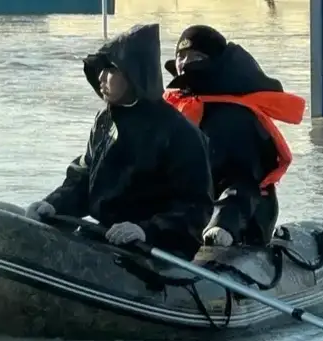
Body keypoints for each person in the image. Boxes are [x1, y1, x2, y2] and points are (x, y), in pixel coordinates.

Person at [25, 23, 215, 260]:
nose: (102, 77)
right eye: (101, 69)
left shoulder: (179, 132)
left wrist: (146, 230)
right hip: (106, 235)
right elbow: (85, 176)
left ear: (135, 74)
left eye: (111, 70)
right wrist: (54, 204)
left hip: (158, 248)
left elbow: (195, 206)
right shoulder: (105, 120)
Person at [162, 25, 305, 247]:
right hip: (189, 216)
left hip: (243, 222)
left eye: (196, 56)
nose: (185, 63)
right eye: (180, 56)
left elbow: (244, 181)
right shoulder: (177, 110)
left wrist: (224, 224)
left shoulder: (237, 118)